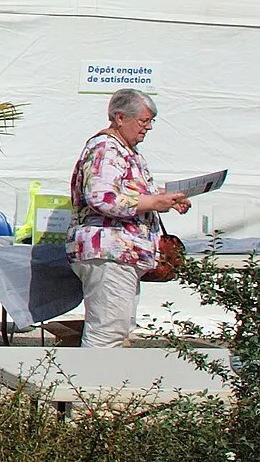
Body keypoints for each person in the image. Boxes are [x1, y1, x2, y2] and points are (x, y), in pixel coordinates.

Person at [69, 88, 191, 347]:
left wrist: (165, 198)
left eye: (150, 122)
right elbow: (102, 197)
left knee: (117, 328)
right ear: (120, 117)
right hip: (110, 251)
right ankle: (92, 384)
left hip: (122, 254)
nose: (147, 128)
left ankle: (101, 383)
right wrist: (154, 202)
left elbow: (127, 192)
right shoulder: (106, 148)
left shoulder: (126, 150)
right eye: (143, 121)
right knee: (107, 331)